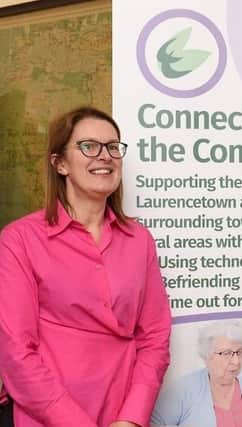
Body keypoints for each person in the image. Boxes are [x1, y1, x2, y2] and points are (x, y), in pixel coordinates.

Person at [0, 107, 172, 427]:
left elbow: (155, 339)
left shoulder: (139, 240)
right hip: (45, 418)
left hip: (121, 417)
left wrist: (132, 417)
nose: (104, 156)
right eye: (89, 146)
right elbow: (16, 354)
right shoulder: (19, 240)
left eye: (112, 147)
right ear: (60, 163)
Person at [151, 320, 242, 427]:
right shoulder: (183, 390)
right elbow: (154, 423)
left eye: (239, 352)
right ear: (207, 355)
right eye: (226, 353)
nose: (236, 361)